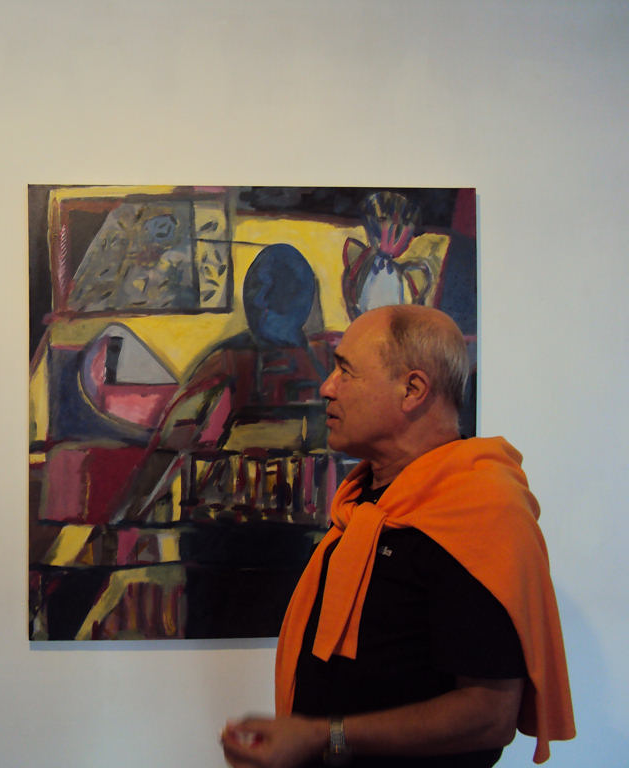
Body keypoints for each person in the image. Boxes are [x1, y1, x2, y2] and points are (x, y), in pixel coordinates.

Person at [221, 304, 574, 767]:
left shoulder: (479, 512)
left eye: (345, 371)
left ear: (412, 390)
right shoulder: (365, 504)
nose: (327, 387)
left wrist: (322, 736)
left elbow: (489, 716)